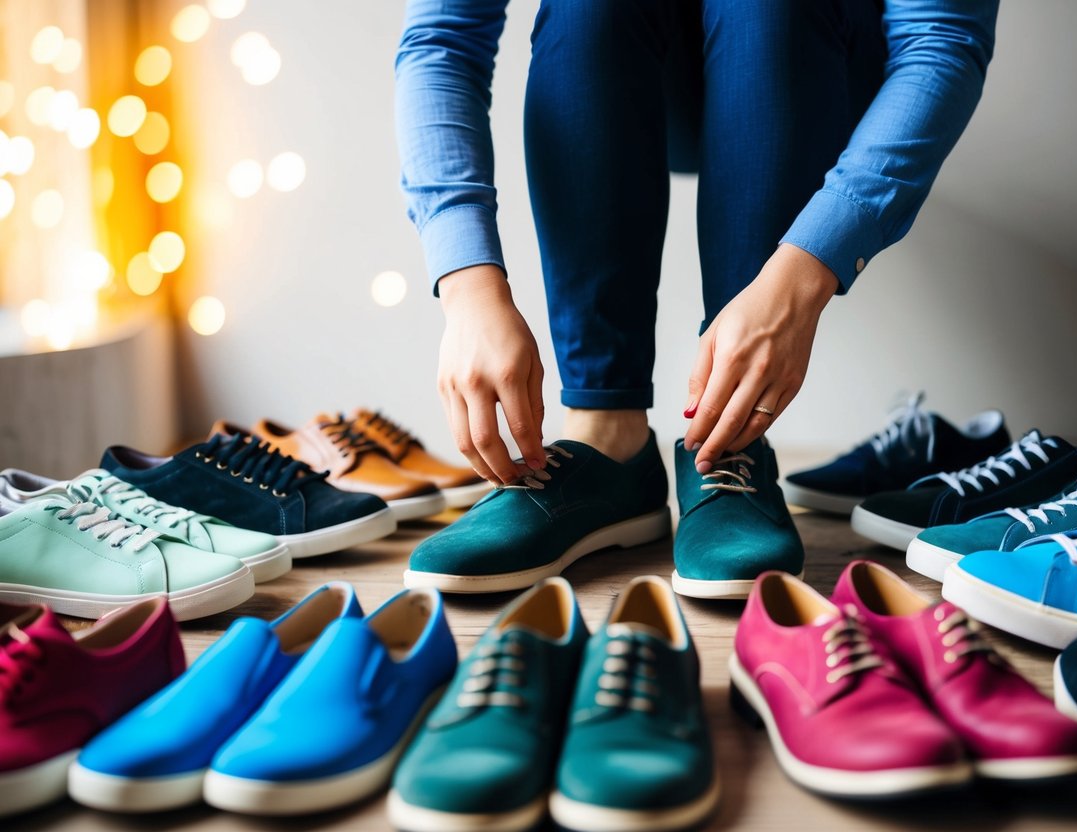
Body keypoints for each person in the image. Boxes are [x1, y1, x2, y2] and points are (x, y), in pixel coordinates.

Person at [394, 0, 999, 598]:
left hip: (817, 53)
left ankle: (728, 445)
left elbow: (939, 41)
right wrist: (467, 287)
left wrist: (803, 274)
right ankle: (608, 439)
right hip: (636, 60)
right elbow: (442, 38)